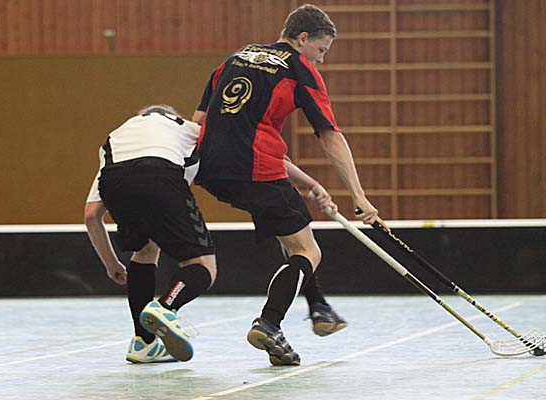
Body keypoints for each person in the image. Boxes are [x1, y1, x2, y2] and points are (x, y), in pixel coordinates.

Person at [192, 4, 388, 366]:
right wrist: (359, 197)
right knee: (308, 251)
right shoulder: (300, 69)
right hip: (256, 168)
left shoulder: (236, 57)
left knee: (292, 238)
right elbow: (329, 135)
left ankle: (319, 308)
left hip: (209, 168)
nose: (321, 60)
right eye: (321, 50)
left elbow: (199, 119)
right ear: (302, 38)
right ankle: (269, 323)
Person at [84, 104, 215, 363]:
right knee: (202, 266)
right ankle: (165, 307)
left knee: (145, 249)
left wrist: (112, 264)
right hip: (160, 174)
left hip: (115, 181)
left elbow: (91, 215)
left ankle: (143, 343)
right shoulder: (187, 128)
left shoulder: (116, 137)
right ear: (172, 115)